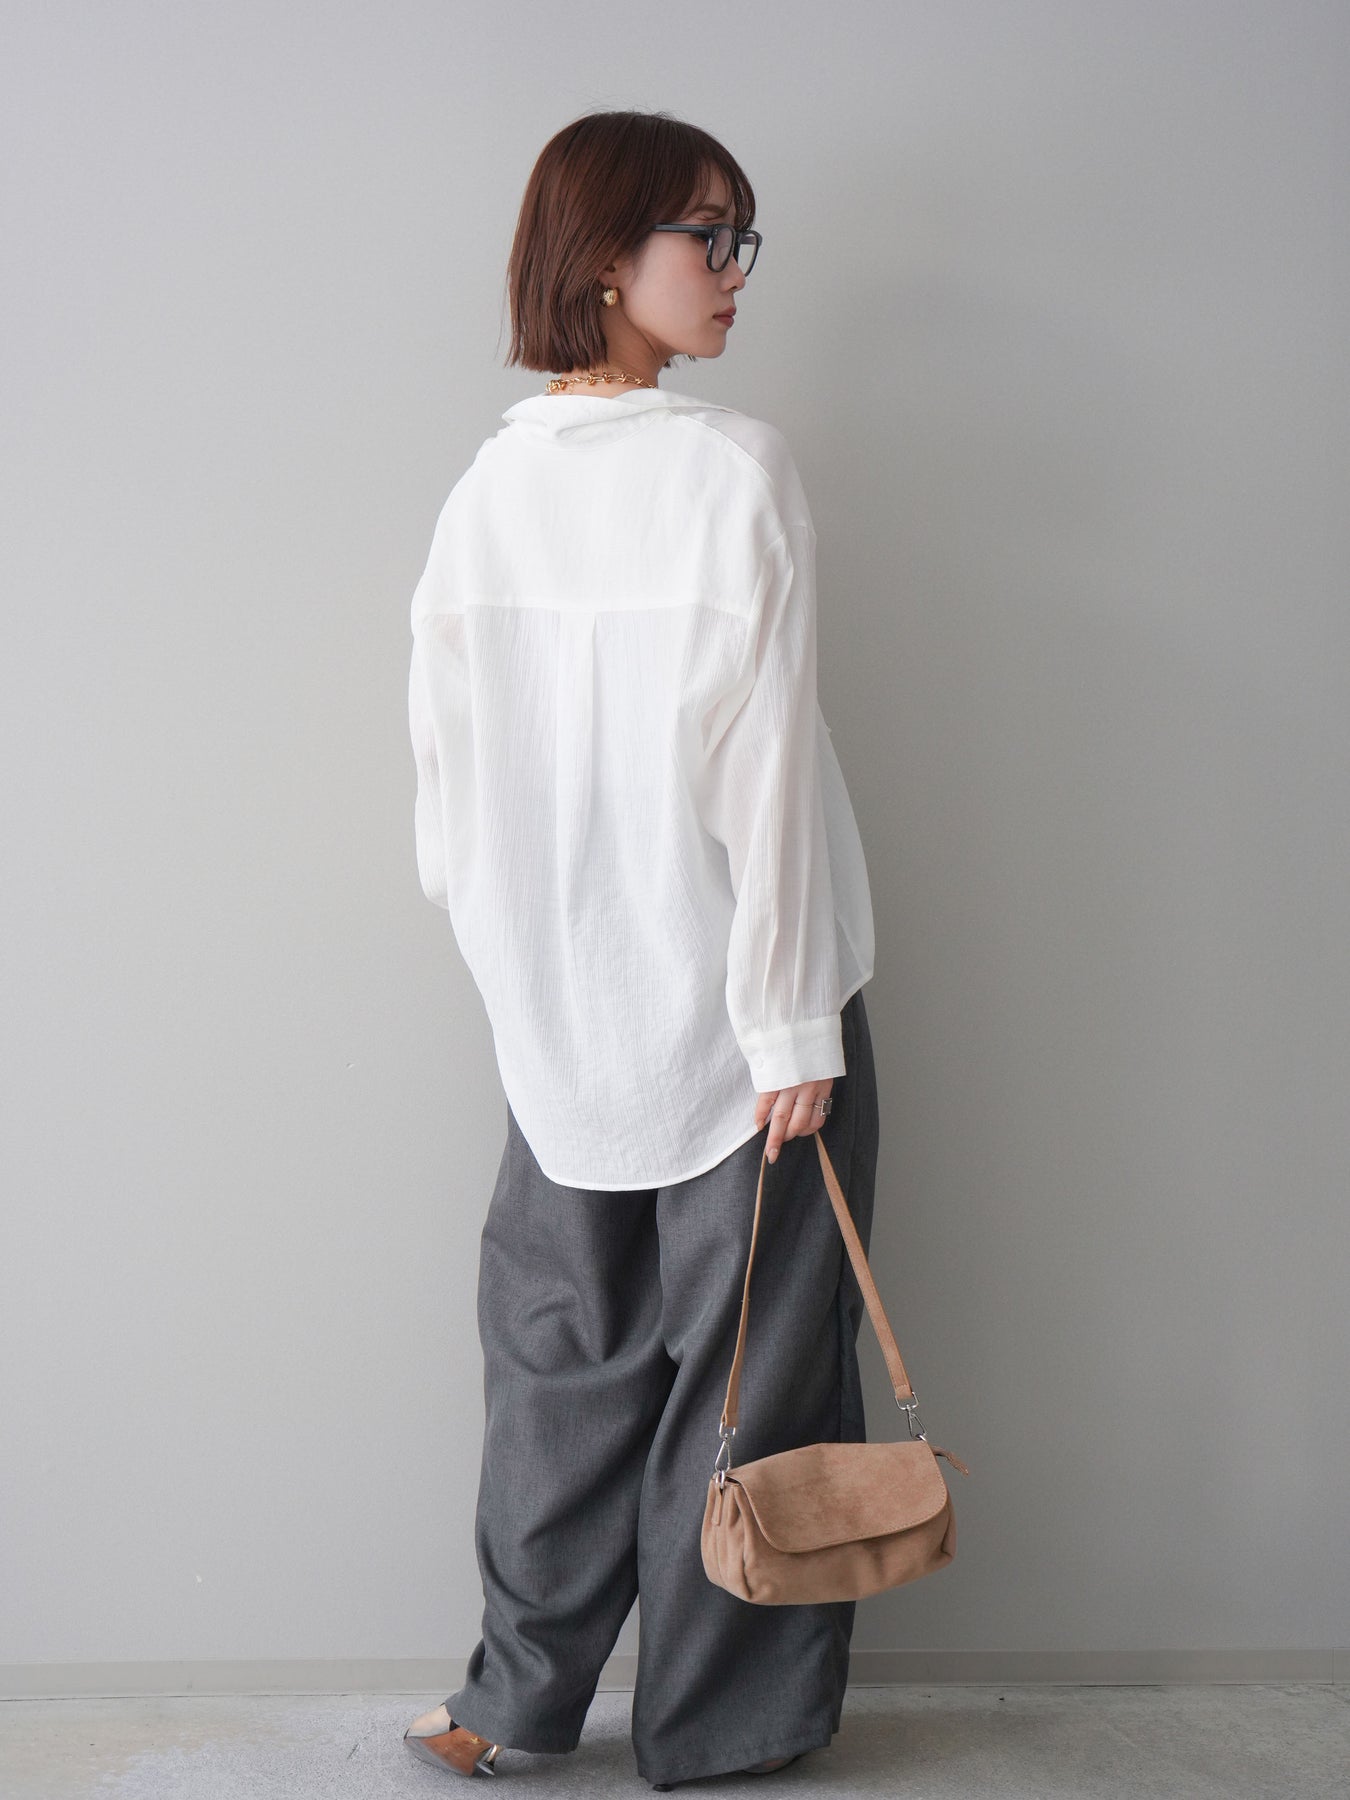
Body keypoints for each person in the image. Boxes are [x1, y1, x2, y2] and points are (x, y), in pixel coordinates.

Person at [401, 108, 878, 1791]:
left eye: (743, 238)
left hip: (561, 1009)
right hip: (752, 1001)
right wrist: (790, 1019)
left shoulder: (486, 491)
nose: (736, 271)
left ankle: (512, 1702)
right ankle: (715, 1730)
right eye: (708, 235)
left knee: (558, 1363)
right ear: (606, 254)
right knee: (750, 1380)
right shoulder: (731, 469)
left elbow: (447, 800)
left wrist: (525, 969)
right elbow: (765, 775)